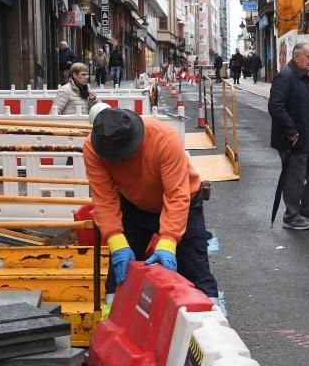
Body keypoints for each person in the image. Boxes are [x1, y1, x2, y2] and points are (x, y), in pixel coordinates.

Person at [83, 104, 219, 300]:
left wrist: (168, 240)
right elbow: (104, 198)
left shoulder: (164, 139)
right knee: (119, 277)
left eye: (125, 156)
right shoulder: (93, 148)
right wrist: (116, 241)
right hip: (135, 205)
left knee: (196, 272)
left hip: (183, 205)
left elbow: (176, 195)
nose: (121, 163)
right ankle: (113, 320)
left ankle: (210, 323)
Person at [268, 42, 309, 231]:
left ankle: (308, 210)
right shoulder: (285, 77)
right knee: (294, 179)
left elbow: (306, 102)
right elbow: (276, 106)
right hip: (294, 139)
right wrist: (291, 130)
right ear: (297, 57)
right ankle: (291, 216)